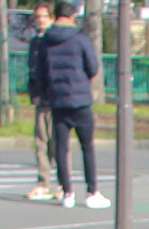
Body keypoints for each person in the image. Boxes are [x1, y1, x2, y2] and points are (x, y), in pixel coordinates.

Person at [36, 0, 108, 210]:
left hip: (58, 101)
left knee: (61, 147)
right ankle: (92, 191)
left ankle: (67, 192)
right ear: (72, 16)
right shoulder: (80, 38)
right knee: (87, 147)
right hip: (81, 100)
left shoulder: (45, 41)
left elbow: (39, 73)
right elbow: (93, 67)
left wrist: (49, 91)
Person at [24, 3, 58, 202]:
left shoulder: (53, 40)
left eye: (44, 16)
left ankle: (63, 184)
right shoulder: (35, 42)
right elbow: (32, 70)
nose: (40, 20)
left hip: (55, 99)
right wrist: (33, 92)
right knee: (40, 143)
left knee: (57, 143)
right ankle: (43, 182)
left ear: (52, 18)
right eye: (37, 17)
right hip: (41, 100)